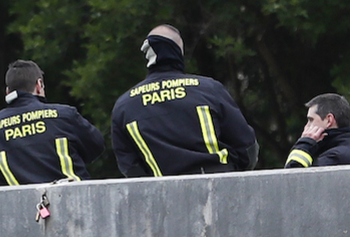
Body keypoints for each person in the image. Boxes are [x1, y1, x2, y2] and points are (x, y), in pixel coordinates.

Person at [111, 25, 258, 177]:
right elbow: (247, 146)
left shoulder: (124, 106)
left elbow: (130, 168)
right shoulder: (209, 89)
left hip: (165, 196)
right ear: (177, 52)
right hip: (220, 190)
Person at [0, 60, 104, 186]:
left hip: (23, 205)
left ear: (8, 91)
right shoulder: (64, 115)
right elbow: (96, 146)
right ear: (39, 85)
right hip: (75, 201)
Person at [285, 94, 350, 168]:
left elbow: (291, 177)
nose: (306, 126)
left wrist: (304, 144)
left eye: (311, 120)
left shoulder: (333, 158)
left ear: (329, 120)